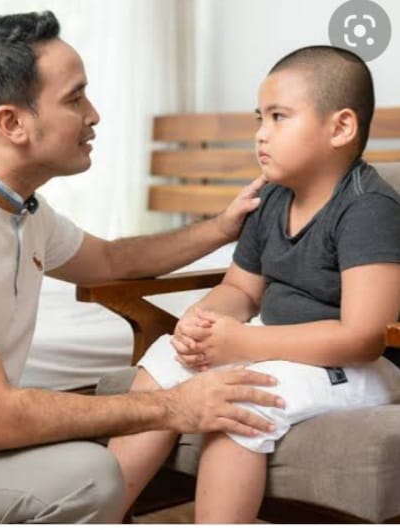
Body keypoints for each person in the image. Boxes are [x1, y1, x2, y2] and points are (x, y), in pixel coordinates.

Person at [0, 11, 285, 524]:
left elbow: (112, 260)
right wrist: (175, 406)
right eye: (75, 99)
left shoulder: (19, 208)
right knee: (89, 475)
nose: (93, 115)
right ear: (12, 123)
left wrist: (222, 228)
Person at [108, 45, 400, 523]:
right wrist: (203, 321)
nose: (261, 134)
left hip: (354, 367)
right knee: (165, 359)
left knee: (236, 399)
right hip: (277, 347)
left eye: (279, 117)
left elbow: (364, 337)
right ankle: (102, 513)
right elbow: (241, 290)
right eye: (259, 119)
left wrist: (244, 342)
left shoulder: (367, 208)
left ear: (340, 127)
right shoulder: (272, 197)